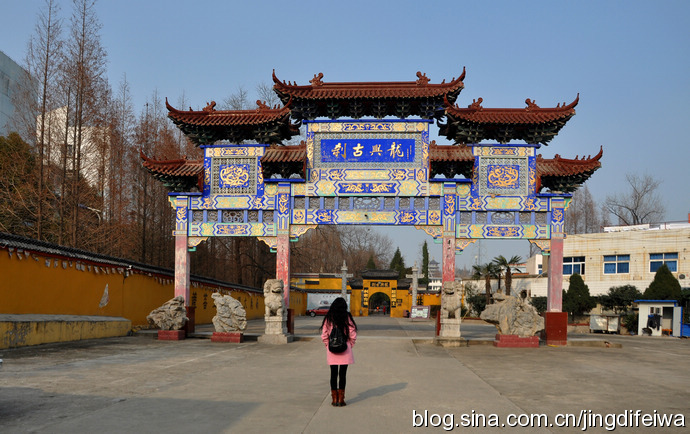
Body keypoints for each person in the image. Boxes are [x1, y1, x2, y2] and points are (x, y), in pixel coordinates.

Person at [319, 297, 357, 407]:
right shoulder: (347, 317)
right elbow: (352, 332)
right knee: (343, 375)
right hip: (345, 348)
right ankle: (341, 399)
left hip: (332, 349)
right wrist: (350, 344)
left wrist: (327, 345)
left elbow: (324, 334)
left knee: (333, 374)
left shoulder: (329, 318)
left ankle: (334, 399)